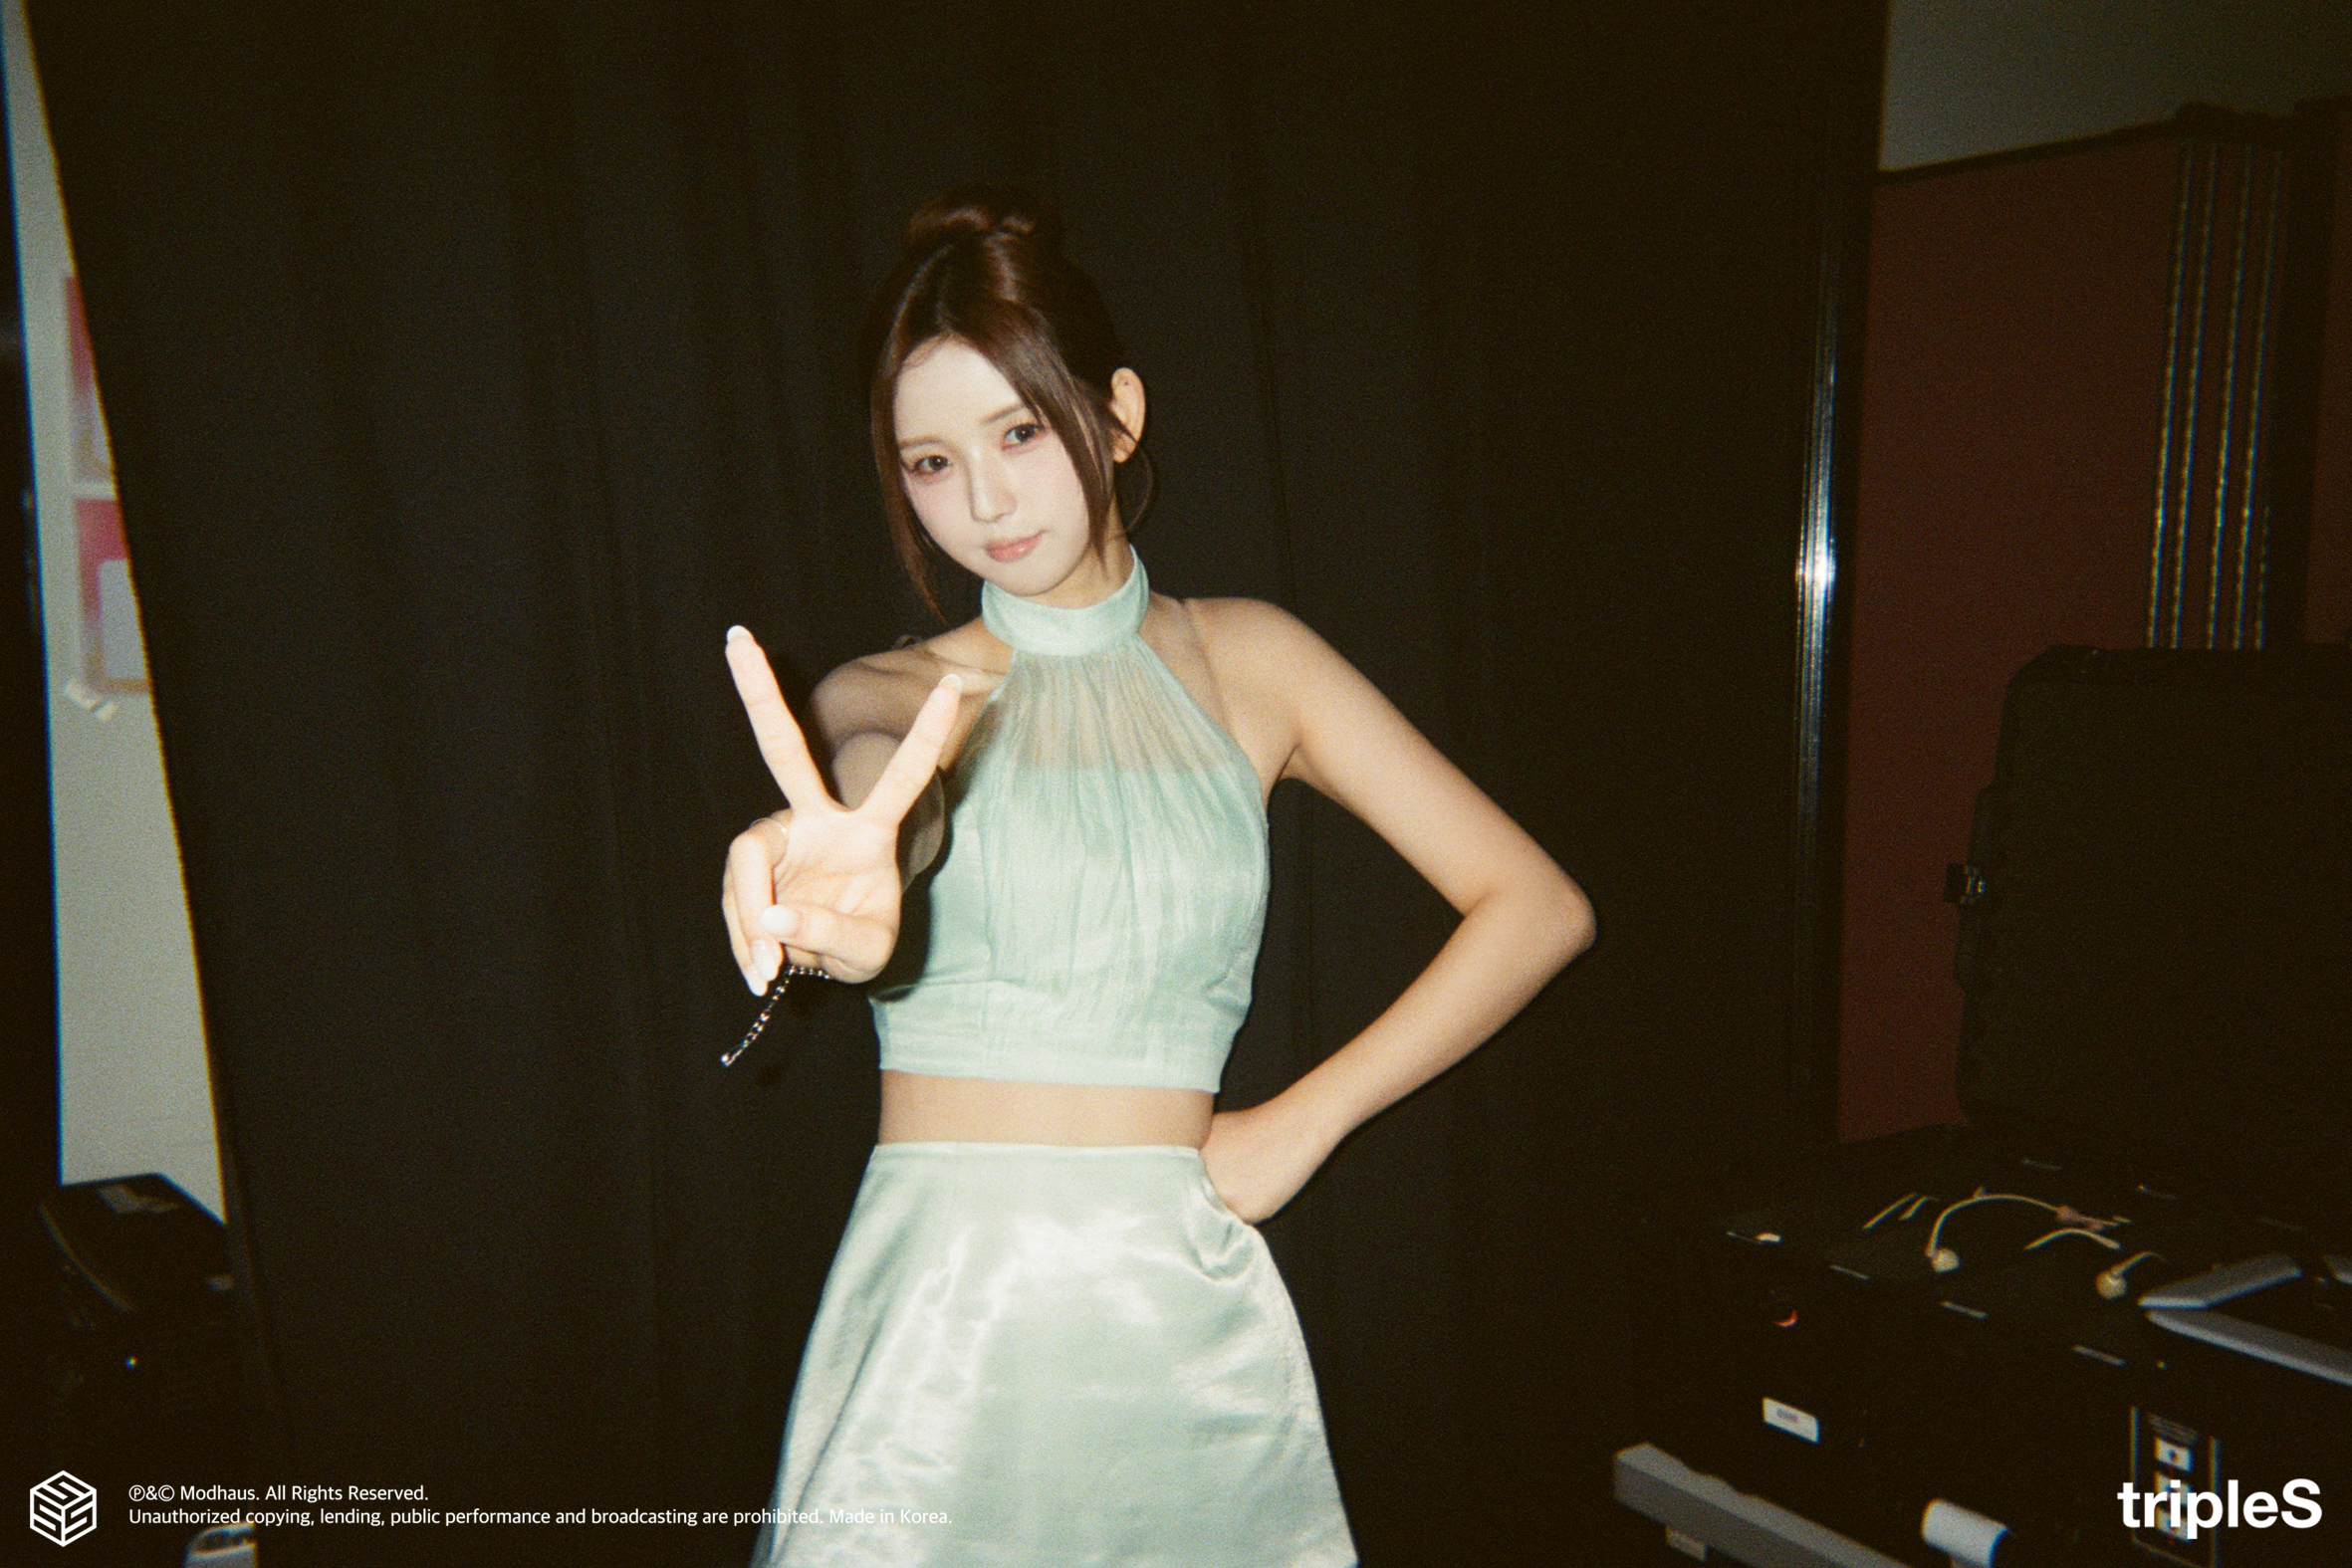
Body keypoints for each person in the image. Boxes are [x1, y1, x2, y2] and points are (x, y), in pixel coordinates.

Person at [722, 188, 1593, 1568]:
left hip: (1179, 1316)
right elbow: (892, 800)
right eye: (931, 461)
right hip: (945, 1329)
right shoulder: (883, 695)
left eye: (1019, 432)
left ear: (1116, 415)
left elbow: (1538, 907)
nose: (984, 500)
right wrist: (850, 864)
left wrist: (1302, 1124)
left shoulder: (1255, 660)